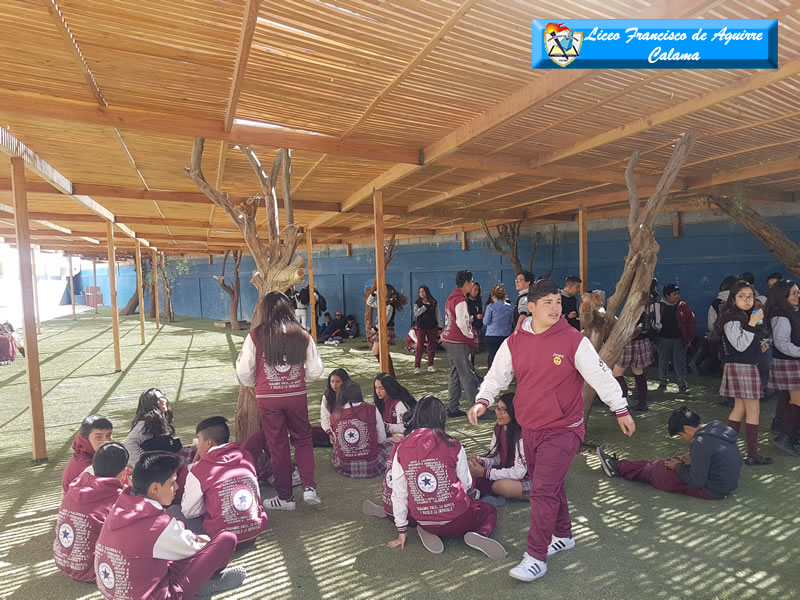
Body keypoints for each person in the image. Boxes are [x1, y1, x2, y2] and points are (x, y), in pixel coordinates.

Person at [468, 278, 635, 583]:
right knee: (550, 485)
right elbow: (496, 376)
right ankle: (563, 534)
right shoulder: (515, 341)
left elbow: (600, 374)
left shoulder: (573, 340)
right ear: (531, 307)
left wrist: (620, 408)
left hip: (563, 429)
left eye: (558, 302)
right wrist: (483, 401)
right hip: (530, 428)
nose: (555, 308)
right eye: (548, 303)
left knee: (543, 490)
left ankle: (535, 557)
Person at [94, 451, 245, 599]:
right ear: (155, 488)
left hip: (114, 592)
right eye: (172, 483)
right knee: (227, 539)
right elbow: (194, 550)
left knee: (178, 533)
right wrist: (201, 541)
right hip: (157, 595)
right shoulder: (157, 524)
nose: (177, 487)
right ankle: (208, 581)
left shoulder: (119, 508)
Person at [388, 395, 507, 559]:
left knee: (413, 505)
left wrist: (402, 530)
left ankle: (427, 529)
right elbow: (466, 484)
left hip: (423, 519)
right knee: (488, 510)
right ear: (441, 418)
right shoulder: (453, 444)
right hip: (459, 519)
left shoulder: (402, 447)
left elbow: (399, 492)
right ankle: (480, 533)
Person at [236, 291, 324, 510]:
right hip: (296, 395)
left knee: (278, 446)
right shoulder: (302, 334)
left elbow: (244, 371)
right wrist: (299, 378)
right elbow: (315, 370)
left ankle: (285, 498)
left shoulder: (256, 335)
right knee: (303, 439)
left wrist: (257, 384)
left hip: (268, 398)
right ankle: (309, 488)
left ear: (265, 310)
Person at [596, 407, 741, 500]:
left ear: (686, 428)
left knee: (659, 469)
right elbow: (718, 457)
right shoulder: (717, 427)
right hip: (726, 485)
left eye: (681, 435)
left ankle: (617, 467)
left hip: (711, 490)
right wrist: (692, 461)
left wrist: (677, 467)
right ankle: (621, 466)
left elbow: (696, 481)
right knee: (666, 464)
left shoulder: (700, 442)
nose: (683, 438)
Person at [180, 417, 268, 546]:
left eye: (198, 439)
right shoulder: (246, 456)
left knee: (175, 511)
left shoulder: (199, 469)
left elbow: (189, 512)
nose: (196, 444)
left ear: (208, 443)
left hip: (222, 539)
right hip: (254, 531)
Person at [716, 281, 772, 466]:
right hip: (742, 366)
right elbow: (740, 345)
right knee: (753, 410)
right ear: (733, 299)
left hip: (743, 365)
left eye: (750, 296)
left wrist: (762, 340)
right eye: (742, 296)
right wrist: (752, 323)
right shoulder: (732, 318)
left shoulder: (747, 315)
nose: (747, 300)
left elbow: (758, 337)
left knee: (739, 408)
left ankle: (727, 451)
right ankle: (752, 455)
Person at [54, 442, 128, 582]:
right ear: (123, 472)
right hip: (94, 571)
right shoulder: (118, 498)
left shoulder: (77, 484)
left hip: (62, 560)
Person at [468, 393, 528, 503]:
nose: (498, 413)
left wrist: (486, 473)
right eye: (497, 408)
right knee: (472, 471)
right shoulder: (499, 429)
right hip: (510, 471)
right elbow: (497, 458)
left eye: (503, 410)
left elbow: (519, 472)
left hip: (530, 477)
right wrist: (482, 461)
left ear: (514, 411)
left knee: (500, 486)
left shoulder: (523, 434)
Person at [330, 380, 394, 478]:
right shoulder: (371, 409)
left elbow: (338, 441)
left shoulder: (334, 415)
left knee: (336, 448)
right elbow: (381, 439)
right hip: (372, 464)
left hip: (345, 465)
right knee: (393, 443)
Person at [766, 279, 800, 456]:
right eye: (794, 293)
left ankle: (791, 435)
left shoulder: (791, 311)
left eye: (798, 292)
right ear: (783, 295)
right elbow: (782, 344)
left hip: (792, 361)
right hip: (788, 362)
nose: (798, 296)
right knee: (797, 401)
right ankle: (785, 437)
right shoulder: (780, 316)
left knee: (794, 400)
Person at [441, 270, 480, 418]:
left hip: (449, 340)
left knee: (455, 374)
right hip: (458, 341)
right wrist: (470, 336)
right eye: (472, 281)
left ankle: (453, 407)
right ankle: (477, 409)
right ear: (467, 283)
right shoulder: (461, 300)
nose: (473, 284)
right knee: (467, 374)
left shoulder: (452, 298)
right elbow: (462, 322)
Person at [123, 389, 189, 469]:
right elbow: (129, 443)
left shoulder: (161, 420)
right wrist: (143, 466)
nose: (163, 400)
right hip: (162, 468)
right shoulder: (146, 423)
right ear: (150, 404)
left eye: (163, 397)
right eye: (157, 399)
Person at [613, 296, 658, 412]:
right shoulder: (650, 306)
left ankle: (623, 405)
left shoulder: (635, 306)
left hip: (629, 341)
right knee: (638, 372)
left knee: (617, 373)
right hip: (642, 341)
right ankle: (642, 403)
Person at [690, 275, 738, 377]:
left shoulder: (716, 303)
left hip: (719, 338)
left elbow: (711, 324)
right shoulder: (739, 302)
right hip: (736, 338)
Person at [656, 283, 696, 394]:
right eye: (674, 294)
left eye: (678, 293)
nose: (677, 296)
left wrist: (689, 338)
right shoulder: (659, 306)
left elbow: (691, 321)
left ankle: (682, 384)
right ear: (667, 295)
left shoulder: (683, 306)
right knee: (663, 362)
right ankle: (663, 382)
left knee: (679, 362)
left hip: (679, 339)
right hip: (663, 339)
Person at [63, 415, 114, 492]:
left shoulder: (92, 455)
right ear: (85, 438)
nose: (106, 441)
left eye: (108, 435)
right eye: (98, 437)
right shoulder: (87, 465)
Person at [367, 284, 408, 376]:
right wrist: (373, 294)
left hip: (386, 328)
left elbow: (386, 319)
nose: (381, 291)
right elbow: (369, 303)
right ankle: (386, 370)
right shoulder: (382, 302)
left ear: (388, 292)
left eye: (384, 289)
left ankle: (389, 373)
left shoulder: (390, 305)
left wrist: (376, 328)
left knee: (383, 352)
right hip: (380, 328)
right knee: (376, 351)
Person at [483, 284, 514, 369]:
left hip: (492, 335)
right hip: (505, 335)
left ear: (493, 296)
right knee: (504, 358)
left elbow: (486, 322)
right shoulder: (510, 307)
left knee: (493, 357)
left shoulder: (491, 307)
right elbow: (511, 321)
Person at [413, 285, 442, 374]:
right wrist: (425, 307)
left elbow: (438, 315)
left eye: (423, 291)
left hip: (432, 327)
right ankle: (417, 367)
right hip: (421, 327)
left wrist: (440, 327)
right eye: (419, 292)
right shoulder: (417, 303)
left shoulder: (434, 302)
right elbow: (416, 313)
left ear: (427, 292)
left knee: (431, 346)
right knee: (420, 347)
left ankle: (430, 365)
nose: (421, 293)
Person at [319, 368, 351, 445]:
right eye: (332, 381)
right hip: (333, 429)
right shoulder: (327, 396)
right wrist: (330, 433)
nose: (334, 385)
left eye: (338, 381)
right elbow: (325, 417)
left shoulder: (351, 394)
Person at [467, 281, 484, 361]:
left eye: (478, 290)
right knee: (470, 348)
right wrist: (475, 317)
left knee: (474, 349)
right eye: (475, 290)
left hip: (477, 326)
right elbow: (465, 317)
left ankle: (472, 364)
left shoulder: (478, 301)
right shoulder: (466, 301)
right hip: (470, 327)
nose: (476, 292)